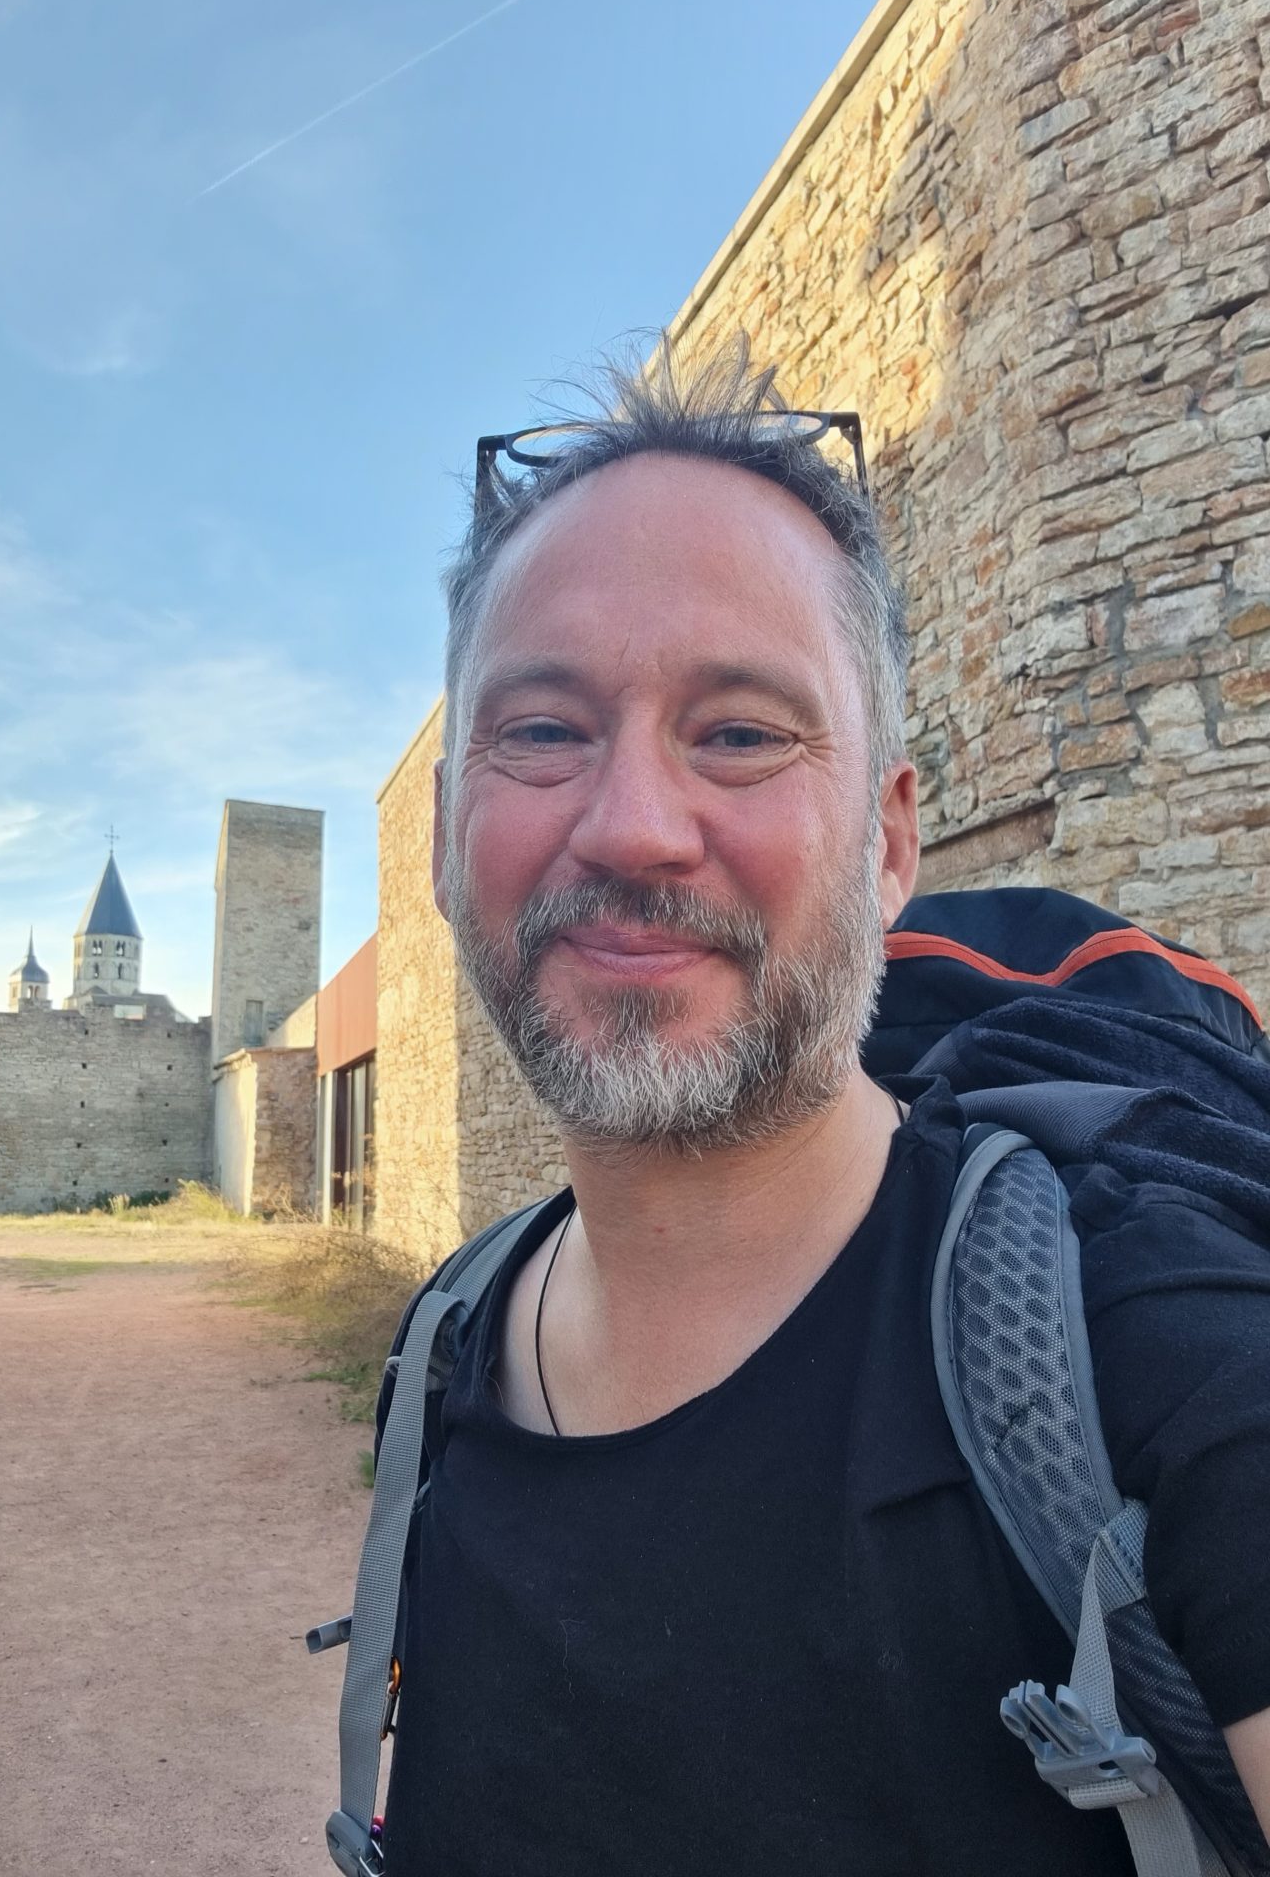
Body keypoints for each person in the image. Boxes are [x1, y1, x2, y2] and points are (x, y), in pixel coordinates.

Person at [376, 339, 1270, 1875]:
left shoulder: (1155, 1368)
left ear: (889, 842)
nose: (635, 827)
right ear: (451, 837)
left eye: (739, 732)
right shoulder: (447, 1351)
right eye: (543, 731)